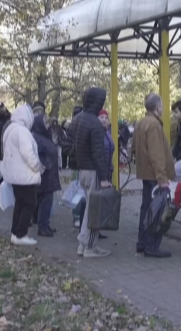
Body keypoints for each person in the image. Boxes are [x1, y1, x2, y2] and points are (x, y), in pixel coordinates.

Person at [70, 88, 111, 258]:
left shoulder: (78, 119)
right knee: (94, 210)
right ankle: (90, 247)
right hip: (94, 171)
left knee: (88, 209)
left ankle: (82, 244)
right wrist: (104, 178)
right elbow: (98, 153)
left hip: (82, 170)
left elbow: (73, 147)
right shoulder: (94, 123)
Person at [134, 93, 175, 258]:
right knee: (156, 212)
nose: (163, 108)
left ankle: (142, 242)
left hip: (145, 173)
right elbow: (157, 155)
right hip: (155, 177)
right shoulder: (154, 125)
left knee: (146, 208)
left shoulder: (141, 123)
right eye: (162, 104)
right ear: (157, 107)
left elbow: (134, 148)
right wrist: (162, 179)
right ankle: (151, 245)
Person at [2, 104, 43, 246]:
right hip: (25, 175)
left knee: (20, 203)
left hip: (15, 175)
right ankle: (21, 233)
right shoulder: (22, 131)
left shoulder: (10, 130)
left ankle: (15, 232)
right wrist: (37, 166)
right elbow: (28, 153)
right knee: (30, 204)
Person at [31, 113, 61, 237]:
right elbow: (36, 156)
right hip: (45, 174)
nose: (48, 125)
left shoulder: (44, 136)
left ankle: (44, 224)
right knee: (46, 201)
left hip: (49, 173)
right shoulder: (37, 138)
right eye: (45, 123)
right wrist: (46, 166)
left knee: (44, 200)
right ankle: (43, 227)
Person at [100, 109, 115, 181]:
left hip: (108, 170)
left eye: (106, 118)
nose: (104, 120)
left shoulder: (108, 133)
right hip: (99, 172)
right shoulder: (96, 132)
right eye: (101, 117)